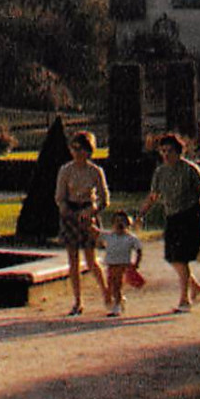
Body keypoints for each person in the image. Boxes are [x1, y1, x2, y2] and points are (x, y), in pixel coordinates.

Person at [136, 133, 200, 313]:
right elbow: (153, 196)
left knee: (180, 257)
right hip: (172, 216)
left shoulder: (190, 169)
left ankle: (184, 300)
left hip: (191, 216)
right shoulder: (160, 172)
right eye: (163, 151)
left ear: (179, 152)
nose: (166, 155)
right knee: (173, 258)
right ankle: (195, 287)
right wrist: (141, 214)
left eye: (170, 151)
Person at [55, 131, 110, 315]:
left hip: (88, 215)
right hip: (70, 215)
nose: (77, 152)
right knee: (73, 260)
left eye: (81, 149)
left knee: (91, 260)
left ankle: (107, 294)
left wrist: (91, 211)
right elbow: (60, 197)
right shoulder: (65, 170)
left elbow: (104, 199)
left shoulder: (95, 171)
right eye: (74, 148)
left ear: (89, 151)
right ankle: (78, 301)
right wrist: (66, 210)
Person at [99, 210, 145, 317]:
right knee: (110, 284)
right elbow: (96, 233)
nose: (119, 224)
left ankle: (117, 305)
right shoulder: (109, 236)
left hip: (123, 265)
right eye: (116, 221)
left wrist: (136, 263)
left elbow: (139, 250)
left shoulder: (130, 238)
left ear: (127, 224)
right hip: (111, 264)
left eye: (122, 222)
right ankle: (119, 300)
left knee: (117, 285)